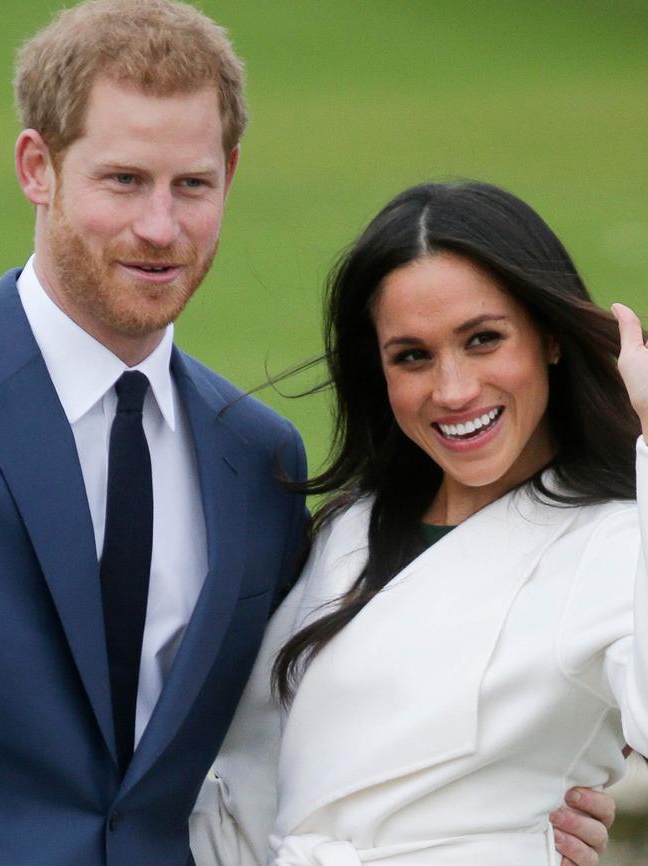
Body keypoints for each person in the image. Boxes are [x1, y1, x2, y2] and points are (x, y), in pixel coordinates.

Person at [190, 181, 647, 866]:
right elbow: (253, 774)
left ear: (550, 338)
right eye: (413, 356)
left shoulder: (613, 541)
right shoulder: (349, 528)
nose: (454, 389)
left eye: (484, 340)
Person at [0, 1, 308, 864]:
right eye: (124, 179)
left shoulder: (262, 458)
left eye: (193, 185)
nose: (161, 229)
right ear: (39, 166)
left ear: (230, 176)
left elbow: (292, 720)